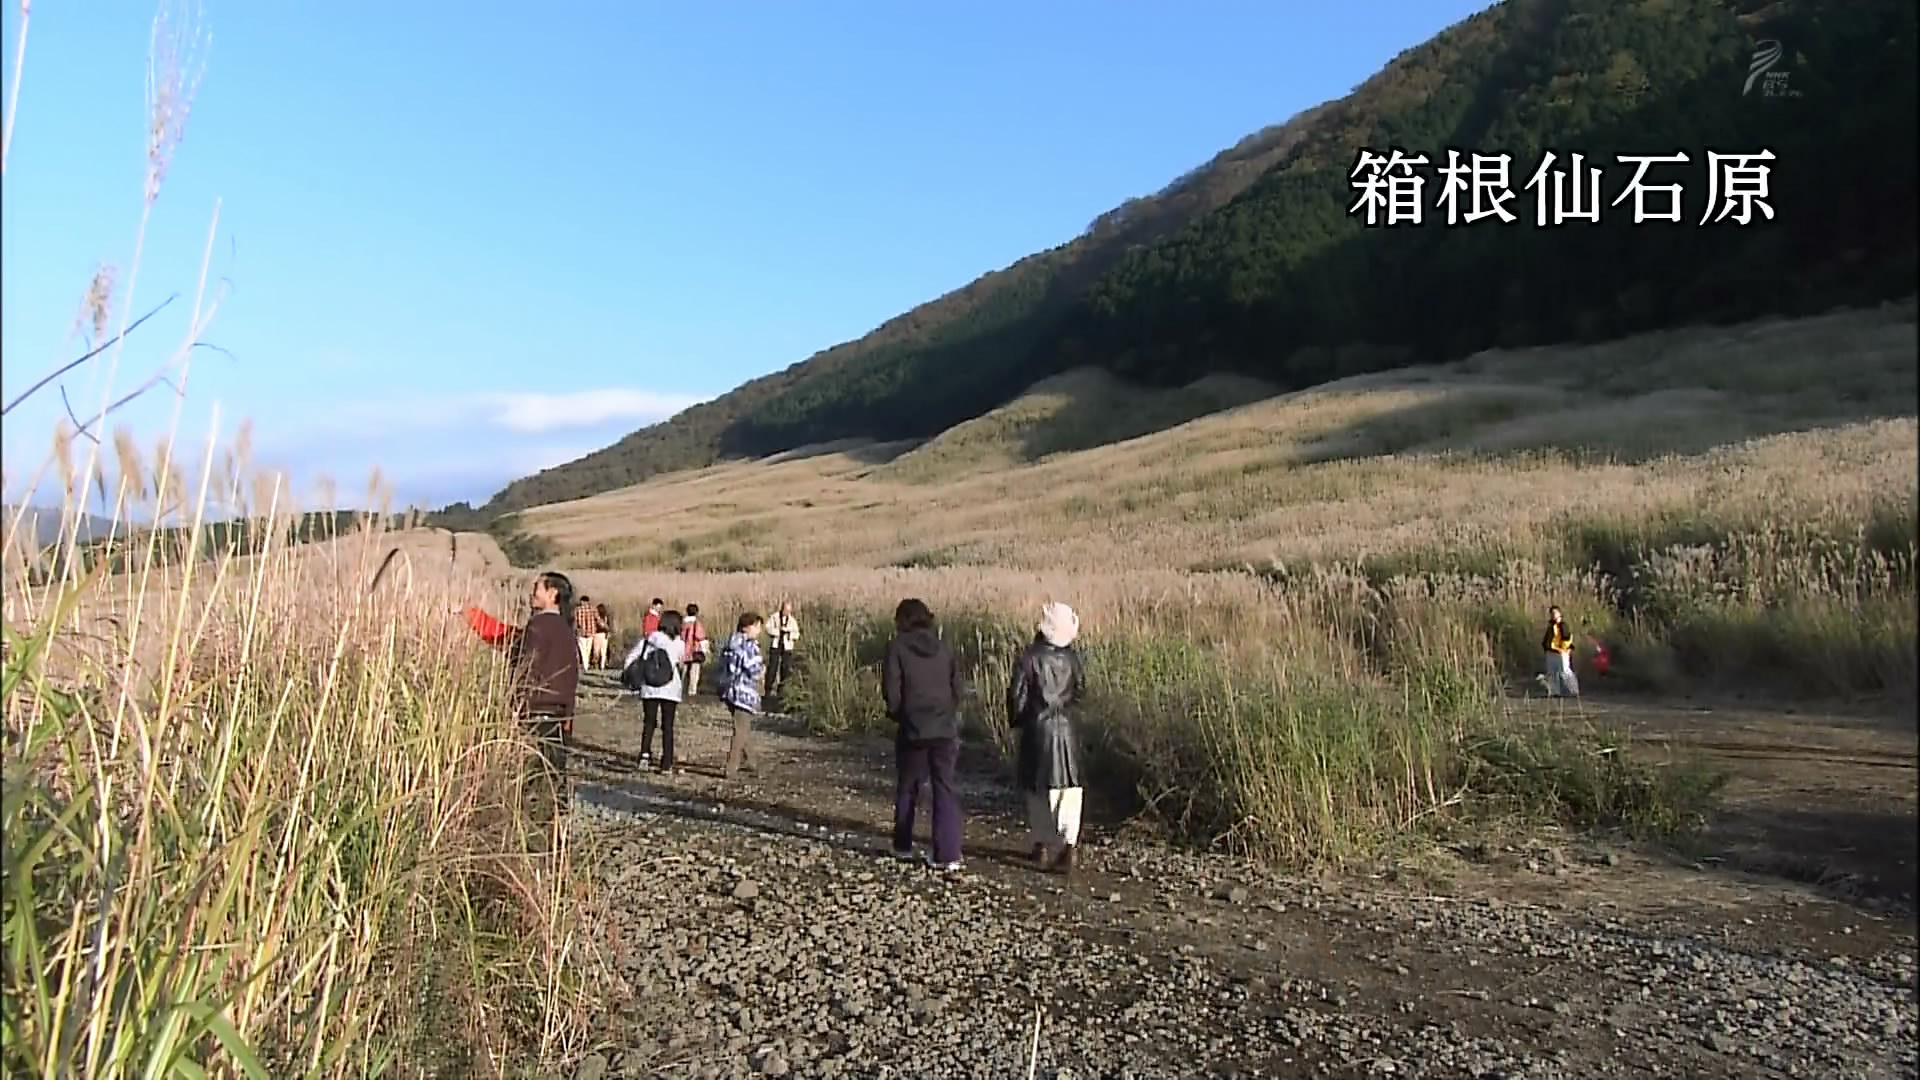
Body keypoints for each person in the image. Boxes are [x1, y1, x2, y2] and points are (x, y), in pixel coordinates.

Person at [460, 571, 581, 817]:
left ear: (552, 593)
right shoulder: (566, 631)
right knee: (553, 773)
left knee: (531, 777)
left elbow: (523, 660)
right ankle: (555, 831)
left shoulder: (539, 626)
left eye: (537, 587)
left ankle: (532, 827)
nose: (532, 591)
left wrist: (514, 701)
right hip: (558, 713)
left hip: (535, 710)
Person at [882, 598, 967, 872]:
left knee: (908, 786)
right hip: (944, 728)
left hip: (913, 727)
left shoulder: (897, 648)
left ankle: (903, 844)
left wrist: (899, 714)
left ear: (902, 621)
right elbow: (957, 689)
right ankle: (948, 854)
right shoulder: (943, 648)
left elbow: (891, 692)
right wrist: (947, 712)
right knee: (945, 788)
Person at [1008, 602, 1088, 874]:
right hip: (1066, 729)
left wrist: (1018, 721)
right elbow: (1080, 693)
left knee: (1037, 789)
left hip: (1036, 730)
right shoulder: (1074, 659)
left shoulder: (1029, 658)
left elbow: (1016, 698)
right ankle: (1069, 846)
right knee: (1069, 790)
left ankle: (1041, 844)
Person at [627, 608, 687, 771]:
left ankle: (644, 755)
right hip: (670, 689)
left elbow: (631, 659)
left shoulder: (647, 640)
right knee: (668, 725)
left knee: (649, 722)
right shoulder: (678, 644)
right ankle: (666, 761)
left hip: (649, 687)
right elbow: (680, 663)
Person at [717, 612, 767, 779]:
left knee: (742, 728)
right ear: (747, 627)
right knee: (741, 730)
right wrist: (762, 671)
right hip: (744, 692)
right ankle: (731, 767)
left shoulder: (730, 641)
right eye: (756, 626)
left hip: (728, 690)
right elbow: (754, 670)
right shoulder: (749, 646)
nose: (758, 630)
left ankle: (752, 761)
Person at [766, 600, 801, 701]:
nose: (786, 612)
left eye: (788, 610)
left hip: (787, 646)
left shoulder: (792, 621)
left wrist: (789, 633)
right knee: (772, 667)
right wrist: (778, 631)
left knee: (785, 668)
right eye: (785, 610)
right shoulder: (774, 617)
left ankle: (782, 691)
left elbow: (797, 634)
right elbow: (768, 628)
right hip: (776, 645)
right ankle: (768, 689)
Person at [1542, 605, 1579, 698]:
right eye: (1551, 613)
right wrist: (1545, 647)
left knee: (1565, 671)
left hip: (1561, 652)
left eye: (1555, 613)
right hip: (1551, 652)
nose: (1553, 615)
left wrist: (1565, 650)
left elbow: (1567, 639)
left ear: (1559, 614)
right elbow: (1548, 639)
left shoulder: (1563, 626)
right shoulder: (1551, 626)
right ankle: (1555, 692)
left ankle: (1573, 690)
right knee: (1552, 672)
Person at [680, 602, 711, 697]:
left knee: (682, 672)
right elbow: (700, 637)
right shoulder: (696, 624)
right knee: (694, 672)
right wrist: (706, 650)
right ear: (696, 612)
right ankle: (691, 692)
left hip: (683, 651)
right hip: (694, 650)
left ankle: (679, 689)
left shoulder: (682, 624)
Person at [573, 593, 604, 671]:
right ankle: (586, 665)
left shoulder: (577, 610)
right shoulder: (593, 609)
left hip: (581, 633)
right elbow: (598, 619)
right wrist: (603, 626)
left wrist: (574, 630)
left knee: (583, 650)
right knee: (588, 649)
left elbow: (575, 621)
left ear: (582, 601)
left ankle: (585, 665)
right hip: (591, 632)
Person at [593, 602, 614, 668]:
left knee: (598, 651)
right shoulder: (605, 617)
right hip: (603, 635)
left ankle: (599, 664)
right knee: (601, 651)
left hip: (598, 634)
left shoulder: (599, 618)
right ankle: (601, 665)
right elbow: (609, 626)